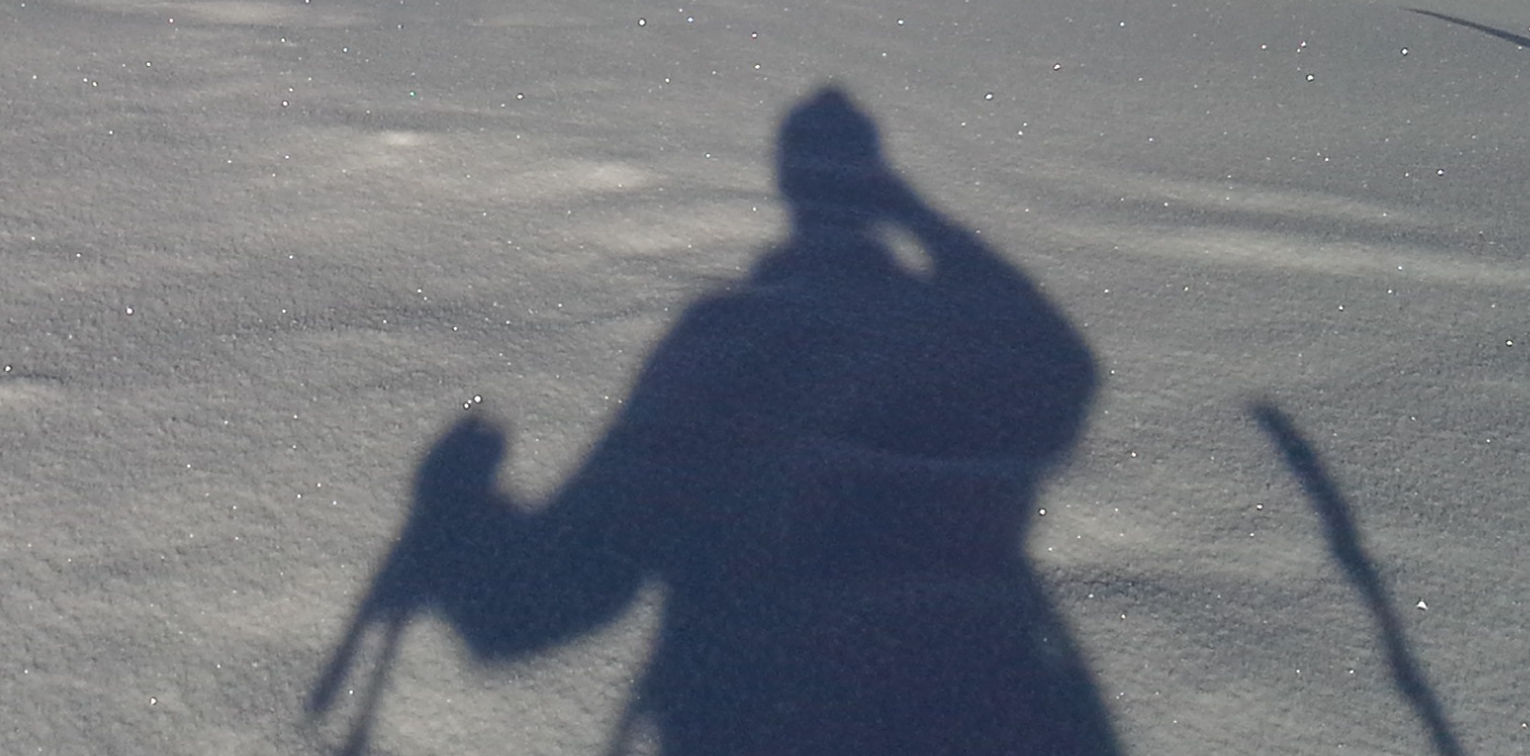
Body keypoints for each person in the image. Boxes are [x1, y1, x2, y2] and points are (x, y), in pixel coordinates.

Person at [313, 87, 1120, 755]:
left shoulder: (720, 350)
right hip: (982, 706)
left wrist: (451, 518)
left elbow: (557, 597)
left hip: (754, 718)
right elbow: (1063, 373)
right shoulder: (946, 337)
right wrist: (925, 222)